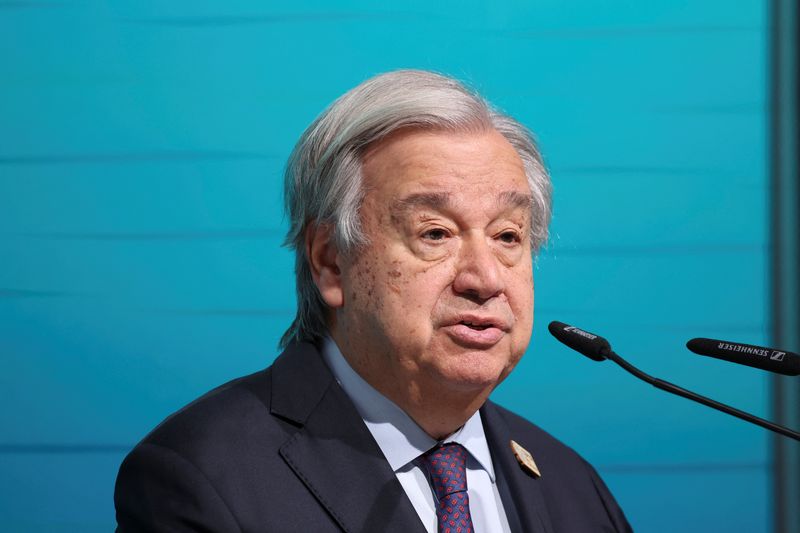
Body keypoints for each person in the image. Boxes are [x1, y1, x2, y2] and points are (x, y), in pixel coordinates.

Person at [114, 70, 632, 532]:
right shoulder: (203, 478)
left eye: (508, 236)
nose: (484, 278)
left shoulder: (573, 487)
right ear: (331, 262)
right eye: (435, 233)